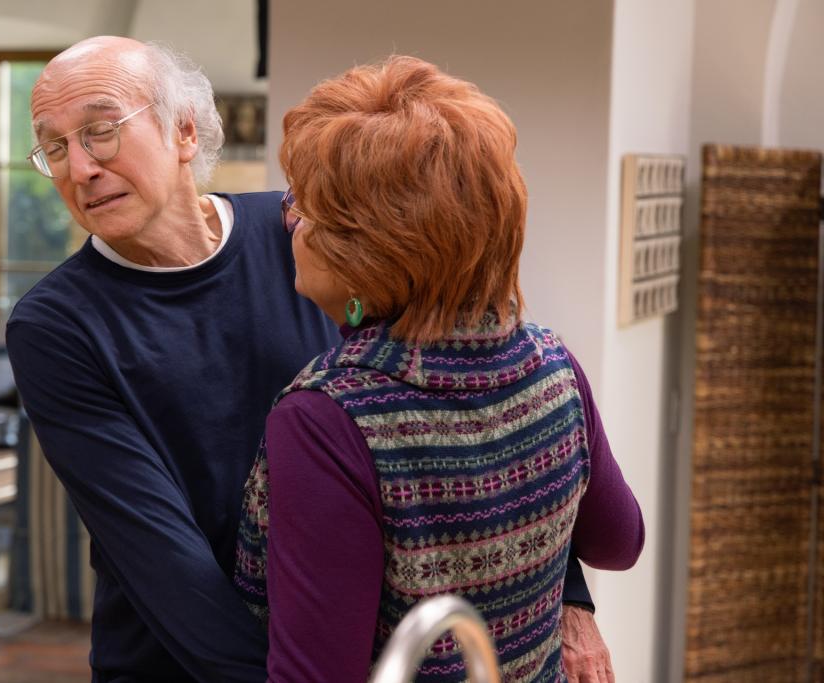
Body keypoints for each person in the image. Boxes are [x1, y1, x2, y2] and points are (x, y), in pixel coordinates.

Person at [8, 36, 616, 682]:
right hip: (192, 662)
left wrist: (566, 593)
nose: (79, 168)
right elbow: (163, 561)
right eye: (53, 147)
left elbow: (455, 398)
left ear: (184, 131)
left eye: (100, 132)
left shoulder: (297, 233)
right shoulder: (56, 325)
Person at [233, 56, 644, 683]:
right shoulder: (551, 360)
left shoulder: (327, 418)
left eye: (307, 206)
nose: (290, 219)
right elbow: (620, 541)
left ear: (368, 252)